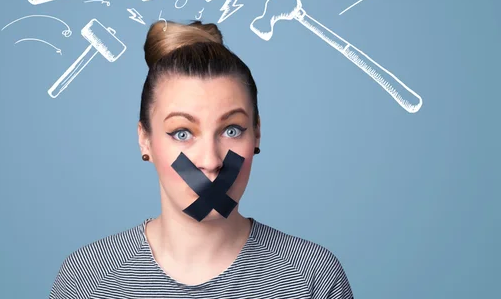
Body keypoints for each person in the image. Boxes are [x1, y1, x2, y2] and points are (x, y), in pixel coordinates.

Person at [49, 20, 354, 298]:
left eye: (232, 130)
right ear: (146, 140)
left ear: (257, 134)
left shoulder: (312, 278)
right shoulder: (87, 280)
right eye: (182, 133)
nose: (210, 161)